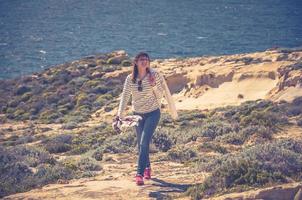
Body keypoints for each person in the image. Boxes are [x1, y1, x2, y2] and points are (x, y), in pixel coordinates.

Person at [114, 52, 178, 186]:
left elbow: (161, 95)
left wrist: (154, 84)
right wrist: (119, 114)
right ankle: (147, 167)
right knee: (141, 144)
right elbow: (125, 97)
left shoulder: (155, 75)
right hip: (137, 115)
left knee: (144, 142)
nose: (145, 61)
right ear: (136, 62)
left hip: (153, 113)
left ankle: (139, 174)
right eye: (142, 59)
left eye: (147, 59)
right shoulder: (130, 79)